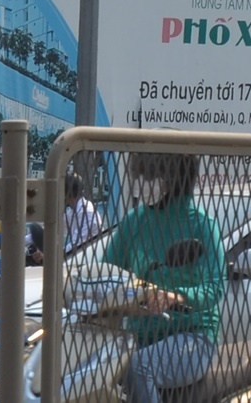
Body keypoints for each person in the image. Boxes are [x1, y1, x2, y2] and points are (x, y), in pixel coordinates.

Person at [98, 152, 222, 403]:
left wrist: (175, 296)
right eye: (140, 174)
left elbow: (214, 287)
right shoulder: (135, 221)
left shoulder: (201, 225)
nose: (144, 181)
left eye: (151, 174)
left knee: (140, 366)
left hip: (193, 337)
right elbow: (105, 273)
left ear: (174, 177)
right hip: (137, 336)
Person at [55, 170, 106, 253]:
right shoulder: (73, 211)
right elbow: (56, 228)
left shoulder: (87, 212)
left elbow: (76, 245)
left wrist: (52, 254)